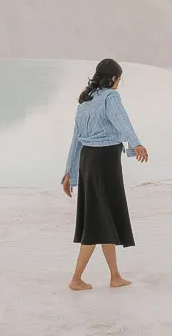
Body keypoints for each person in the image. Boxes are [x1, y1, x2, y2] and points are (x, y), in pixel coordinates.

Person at [62, 58, 148, 290]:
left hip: (88, 161)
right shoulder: (111, 97)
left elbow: (76, 140)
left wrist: (69, 172)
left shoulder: (85, 102)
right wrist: (136, 143)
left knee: (104, 216)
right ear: (113, 78)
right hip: (105, 161)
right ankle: (76, 278)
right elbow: (122, 121)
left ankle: (115, 276)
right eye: (119, 79)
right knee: (96, 220)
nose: (118, 83)